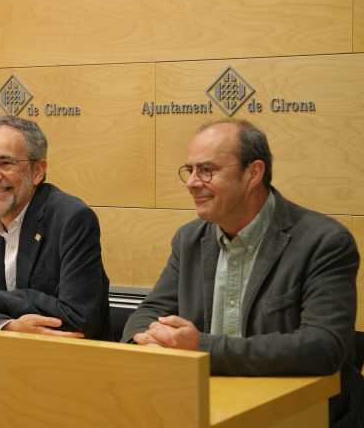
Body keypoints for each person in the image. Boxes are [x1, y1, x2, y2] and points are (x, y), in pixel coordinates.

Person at [122, 119, 362, 427]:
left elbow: (324, 346)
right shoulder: (190, 239)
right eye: (190, 170)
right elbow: (147, 314)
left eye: (206, 170)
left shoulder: (323, 242)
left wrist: (201, 348)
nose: (192, 182)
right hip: (210, 408)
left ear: (253, 173)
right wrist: (148, 340)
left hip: (300, 413)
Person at [0, 116, 109, 338]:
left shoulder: (72, 219)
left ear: (37, 171)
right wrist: (6, 326)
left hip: (69, 361)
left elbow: (78, 318)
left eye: (6, 163)